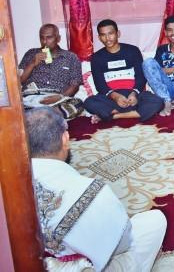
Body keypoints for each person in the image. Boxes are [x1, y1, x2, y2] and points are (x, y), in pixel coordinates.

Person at [26, 107, 166, 272]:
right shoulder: (91, 191)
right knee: (154, 221)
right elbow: (123, 244)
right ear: (65, 138)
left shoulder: (8, 188)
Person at [84, 20, 164, 124]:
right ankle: (134, 113)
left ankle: (114, 116)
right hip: (111, 98)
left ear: (118, 34)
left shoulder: (133, 51)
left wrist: (134, 93)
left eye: (110, 33)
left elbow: (141, 76)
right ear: (99, 37)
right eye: (103, 35)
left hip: (134, 96)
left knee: (158, 101)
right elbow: (99, 84)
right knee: (88, 102)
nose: (107, 38)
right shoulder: (97, 57)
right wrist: (115, 96)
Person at [18, 24, 83, 119]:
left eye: (49, 37)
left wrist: (60, 96)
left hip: (56, 99)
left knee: (78, 104)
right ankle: (47, 116)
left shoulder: (71, 57)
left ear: (58, 38)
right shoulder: (31, 53)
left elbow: (75, 85)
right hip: (31, 97)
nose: (45, 42)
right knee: (15, 105)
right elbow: (20, 80)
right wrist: (32, 63)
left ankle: (38, 116)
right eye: (42, 38)